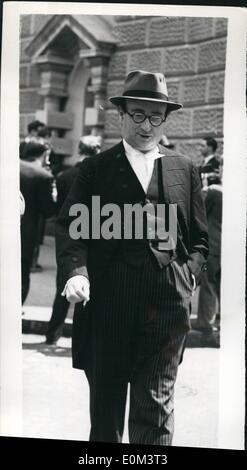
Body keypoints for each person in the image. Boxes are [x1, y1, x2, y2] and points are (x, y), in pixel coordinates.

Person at [55, 70, 208, 445]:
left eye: (156, 116)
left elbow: (200, 239)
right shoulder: (95, 170)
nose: (146, 125)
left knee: (155, 405)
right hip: (110, 299)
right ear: (121, 115)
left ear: (165, 119)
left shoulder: (184, 169)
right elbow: (72, 230)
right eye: (137, 114)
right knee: (106, 412)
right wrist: (77, 273)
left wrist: (187, 277)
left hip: (168, 302)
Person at [45, 135, 102, 345]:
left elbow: (59, 209)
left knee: (63, 286)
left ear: (79, 149)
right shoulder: (100, 175)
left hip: (68, 237)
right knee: (89, 289)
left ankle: (52, 334)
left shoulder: (64, 175)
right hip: (93, 238)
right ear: (97, 150)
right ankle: (84, 340)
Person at [20, 142, 56, 304]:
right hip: (26, 233)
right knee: (21, 275)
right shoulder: (42, 176)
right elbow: (48, 210)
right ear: (43, 156)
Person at [192, 159, 223, 348]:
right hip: (225, 244)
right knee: (221, 287)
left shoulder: (212, 192)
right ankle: (219, 326)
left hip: (212, 244)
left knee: (209, 285)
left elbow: (198, 209)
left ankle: (206, 327)